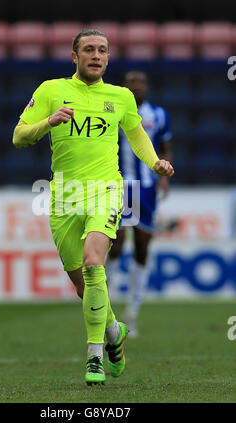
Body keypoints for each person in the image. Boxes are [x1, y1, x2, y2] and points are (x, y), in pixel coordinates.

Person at [12, 30, 174, 386]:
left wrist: (154, 163)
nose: (96, 55)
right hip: (64, 196)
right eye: (89, 49)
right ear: (75, 56)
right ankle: (115, 331)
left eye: (102, 50)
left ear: (108, 57)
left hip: (107, 191)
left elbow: (136, 134)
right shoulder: (51, 90)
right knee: (81, 284)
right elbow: (19, 136)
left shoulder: (120, 97)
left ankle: (95, 356)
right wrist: (48, 122)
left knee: (92, 263)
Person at [107, 71, 172, 337]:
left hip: (145, 189)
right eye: (131, 83)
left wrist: (164, 178)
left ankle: (132, 312)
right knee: (116, 242)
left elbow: (165, 147)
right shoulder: (111, 110)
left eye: (140, 83)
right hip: (118, 185)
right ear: (124, 87)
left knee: (142, 247)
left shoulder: (158, 114)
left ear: (146, 87)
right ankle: (104, 309)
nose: (136, 87)